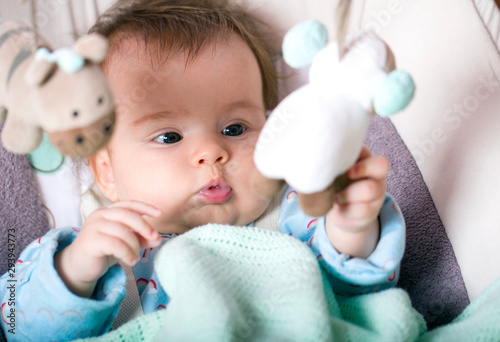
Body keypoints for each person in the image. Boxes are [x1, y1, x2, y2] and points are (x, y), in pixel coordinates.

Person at [0, 0, 405, 340]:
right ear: (107, 172)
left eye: (234, 129)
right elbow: (15, 321)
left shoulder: (292, 212)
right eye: (169, 136)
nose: (211, 152)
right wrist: (76, 269)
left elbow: (350, 291)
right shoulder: (96, 243)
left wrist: (351, 227)